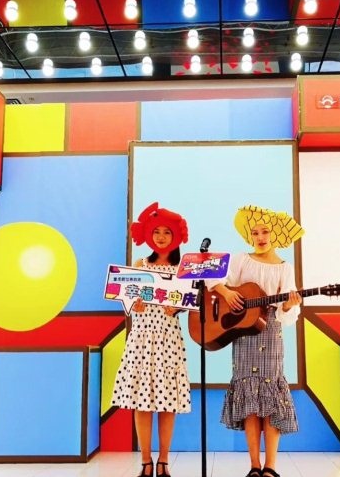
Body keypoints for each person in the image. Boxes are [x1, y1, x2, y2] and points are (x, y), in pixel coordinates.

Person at [208, 204, 305, 477]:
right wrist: (227, 293)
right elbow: (213, 280)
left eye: (265, 232)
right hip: (244, 332)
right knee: (249, 397)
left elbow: (287, 312)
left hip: (271, 331)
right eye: (255, 232)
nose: (260, 237)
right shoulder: (241, 259)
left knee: (271, 396)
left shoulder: (285, 267)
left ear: (276, 234)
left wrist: (289, 304)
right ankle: (253, 465)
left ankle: (270, 466)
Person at [112, 202, 191, 477]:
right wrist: (134, 302)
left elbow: (190, 302)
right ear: (149, 235)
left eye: (166, 232)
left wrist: (177, 308)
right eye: (156, 232)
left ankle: (164, 461)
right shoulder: (140, 265)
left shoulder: (182, 269)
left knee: (168, 403)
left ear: (175, 236)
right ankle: (146, 461)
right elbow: (126, 297)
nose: (161, 237)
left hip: (169, 339)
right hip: (142, 338)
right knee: (141, 401)